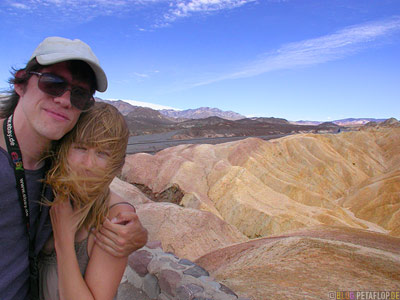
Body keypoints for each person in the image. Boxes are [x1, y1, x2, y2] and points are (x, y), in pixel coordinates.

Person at [0, 37, 147, 300]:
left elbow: (89, 182)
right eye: (53, 83)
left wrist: (133, 226)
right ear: (20, 83)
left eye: (79, 94)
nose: (65, 100)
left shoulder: (54, 159)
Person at [39, 102, 134, 300]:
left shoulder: (113, 221)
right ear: (63, 149)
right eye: (81, 148)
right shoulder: (45, 192)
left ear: (117, 163)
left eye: (102, 153)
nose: (88, 165)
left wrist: (63, 239)